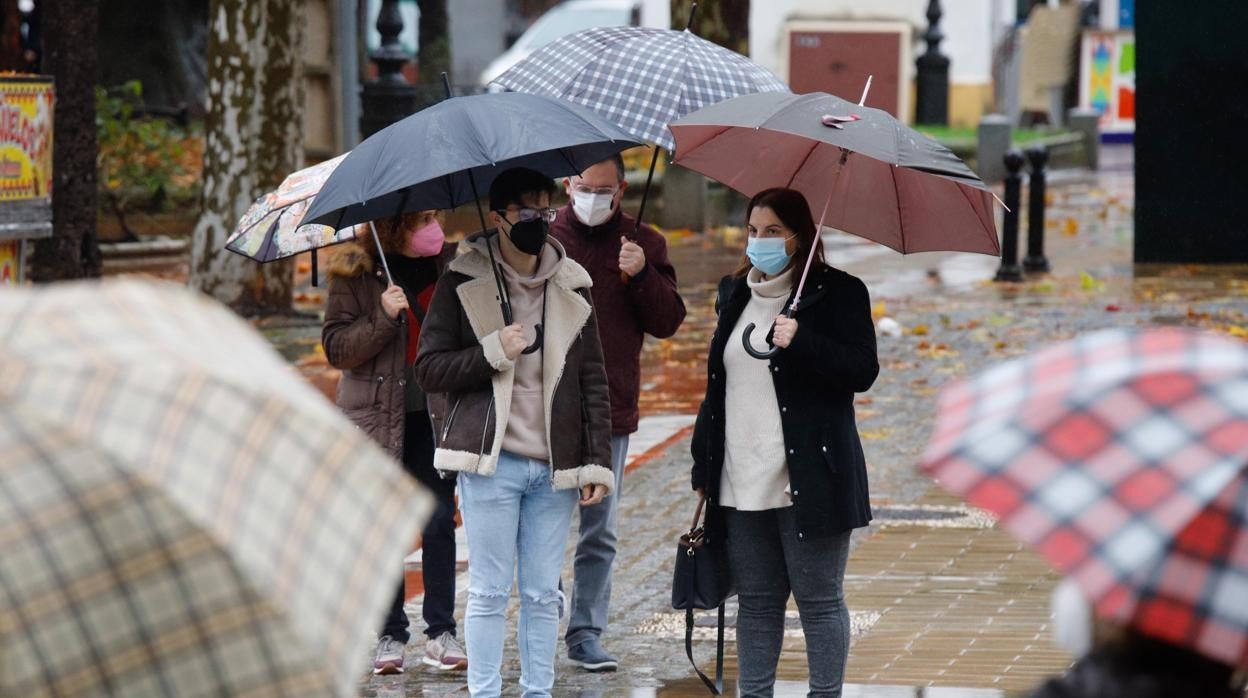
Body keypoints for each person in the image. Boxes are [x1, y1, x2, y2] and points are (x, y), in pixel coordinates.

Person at [414, 167, 614, 697]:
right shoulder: (462, 281)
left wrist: (596, 462)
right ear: (498, 216)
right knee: (487, 591)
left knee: (544, 593)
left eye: (546, 210)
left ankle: (537, 692)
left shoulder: (573, 283)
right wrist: (492, 351)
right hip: (490, 461)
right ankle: (484, 692)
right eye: (526, 211)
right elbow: (429, 368)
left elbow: (594, 380)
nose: (539, 220)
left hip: (555, 464)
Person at [689, 188, 879, 697]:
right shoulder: (733, 294)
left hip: (810, 476)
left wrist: (805, 342)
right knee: (756, 601)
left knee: (818, 601)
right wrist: (702, 470)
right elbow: (718, 389)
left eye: (773, 231)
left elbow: (862, 372)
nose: (760, 241)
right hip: (741, 477)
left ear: (800, 236)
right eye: (753, 230)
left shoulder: (840, 293)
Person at [550, 153, 686, 671]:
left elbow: (668, 320)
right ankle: (548, 601)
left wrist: (642, 274)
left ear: (622, 190)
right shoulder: (544, 239)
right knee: (540, 521)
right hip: (545, 407)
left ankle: (586, 630)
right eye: (586, 187)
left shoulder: (644, 242)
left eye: (605, 190)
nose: (593, 198)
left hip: (611, 405)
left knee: (598, 527)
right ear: (568, 185)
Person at [321, 209, 467, 674]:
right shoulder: (356, 273)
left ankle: (441, 630)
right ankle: (390, 634)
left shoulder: (453, 267)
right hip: (375, 420)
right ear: (392, 225)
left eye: (436, 215)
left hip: (434, 414)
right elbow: (337, 348)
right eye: (422, 218)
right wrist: (383, 315)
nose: (434, 227)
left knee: (440, 518)